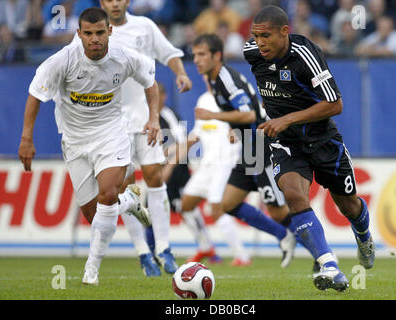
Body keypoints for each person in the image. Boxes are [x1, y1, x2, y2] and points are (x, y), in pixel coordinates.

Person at [18, 7, 157, 285]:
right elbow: (35, 94)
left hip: (111, 134)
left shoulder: (124, 56)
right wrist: (26, 138)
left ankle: (91, 270)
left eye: (100, 33)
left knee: (107, 194)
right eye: (89, 33)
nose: (95, 39)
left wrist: (153, 117)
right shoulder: (63, 60)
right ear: (79, 34)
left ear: (110, 32)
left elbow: (150, 82)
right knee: (94, 214)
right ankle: (129, 201)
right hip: (75, 140)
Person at [245, 5, 375, 291]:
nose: (259, 42)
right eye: (255, 36)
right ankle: (330, 266)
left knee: (348, 206)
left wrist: (286, 117)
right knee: (293, 195)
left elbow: (335, 104)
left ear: (284, 31)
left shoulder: (306, 55)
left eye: (265, 35)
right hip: (286, 142)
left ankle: (363, 235)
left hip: (323, 141)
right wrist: (269, 110)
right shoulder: (252, 51)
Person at [70, 0, 193, 277]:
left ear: (128, 1)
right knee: (127, 189)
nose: (115, 3)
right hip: (110, 124)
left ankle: (164, 248)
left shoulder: (145, 27)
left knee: (155, 177)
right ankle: (142, 253)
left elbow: (169, 52)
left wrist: (181, 73)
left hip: (143, 118)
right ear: (102, 3)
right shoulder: (92, 33)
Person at [192, 33, 296, 269]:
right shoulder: (216, 81)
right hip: (247, 146)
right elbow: (244, 111)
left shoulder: (226, 79)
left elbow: (250, 114)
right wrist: (233, 128)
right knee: (227, 203)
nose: (196, 60)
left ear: (216, 56)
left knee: (279, 212)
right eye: (195, 54)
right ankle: (284, 236)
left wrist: (213, 116)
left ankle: (322, 254)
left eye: (201, 55)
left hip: (260, 146)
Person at [167, 81, 251, 266]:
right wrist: (175, 148)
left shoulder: (231, 99)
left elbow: (248, 120)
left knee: (217, 209)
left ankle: (242, 256)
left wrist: (236, 131)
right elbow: (198, 133)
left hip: (226, 163)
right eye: (204, 75)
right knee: (185, 205)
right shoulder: (204, 99)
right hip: (207, 165)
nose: (208, 79)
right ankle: (205, 247)